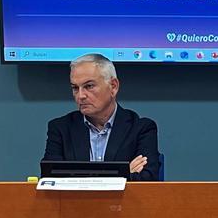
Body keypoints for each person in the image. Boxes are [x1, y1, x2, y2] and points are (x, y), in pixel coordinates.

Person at [43, 53, 160, 181]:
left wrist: (81, 178)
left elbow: (148, 179)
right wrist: (124, 173)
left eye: (89, 86)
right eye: (75, 88)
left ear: (113, 87)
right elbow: (51, 180)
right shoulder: (60, 129)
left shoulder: (141, 129)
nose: (80, 96)